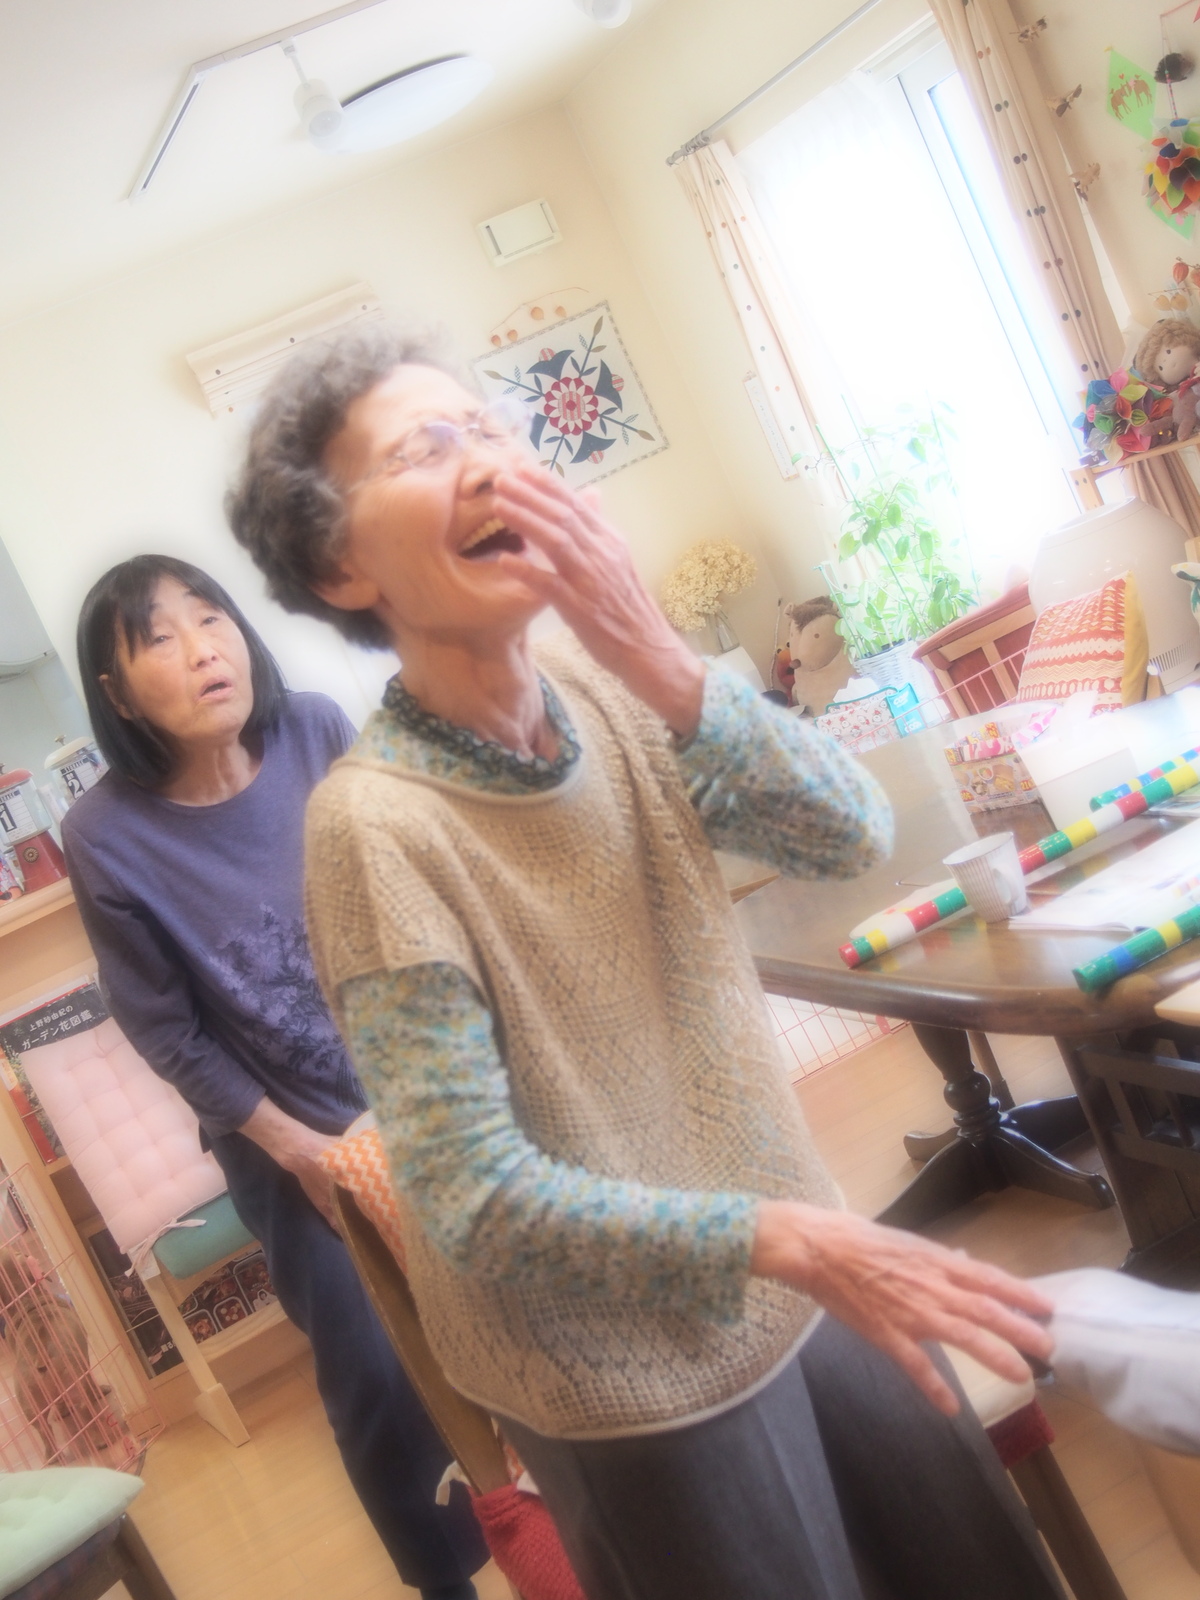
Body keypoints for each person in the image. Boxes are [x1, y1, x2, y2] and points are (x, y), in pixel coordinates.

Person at [228, 324, 1066, 1600]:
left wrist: (661, 658)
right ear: (341, 564)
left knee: (978, 1568)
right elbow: (475, 1200)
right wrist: (784, 1239)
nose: (486, 462)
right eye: (424, 448)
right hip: (624, 1371)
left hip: (799, 1258)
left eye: (489, 428)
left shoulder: (608, 684)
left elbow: (850, 834)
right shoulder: (372, 830)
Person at [62, 555, 488, 1600]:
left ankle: (563, 1528)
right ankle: (445, 1582)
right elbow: (166, 1032)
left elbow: (398, 893)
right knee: (376, 1375)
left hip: (411, 1084)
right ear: (118, 693)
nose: (203, 648)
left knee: (508, 1305)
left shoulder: (313, 731)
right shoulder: (106, 837)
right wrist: (301, 1151)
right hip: (280, 1139)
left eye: (211, 618)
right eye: (160, 637)